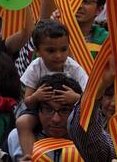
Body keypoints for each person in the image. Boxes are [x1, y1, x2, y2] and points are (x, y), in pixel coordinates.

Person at [15, 20, 89, 158]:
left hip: (69, 111)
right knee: (22, 122)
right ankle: (31, 156)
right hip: (41, 110)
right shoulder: (35, 68)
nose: (58, 55)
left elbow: (89, 99)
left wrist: (75, 98)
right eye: (51, 50)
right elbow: (28, 102)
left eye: (63, 49)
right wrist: (37, 97)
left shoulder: (74, 68)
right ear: (37, 51)